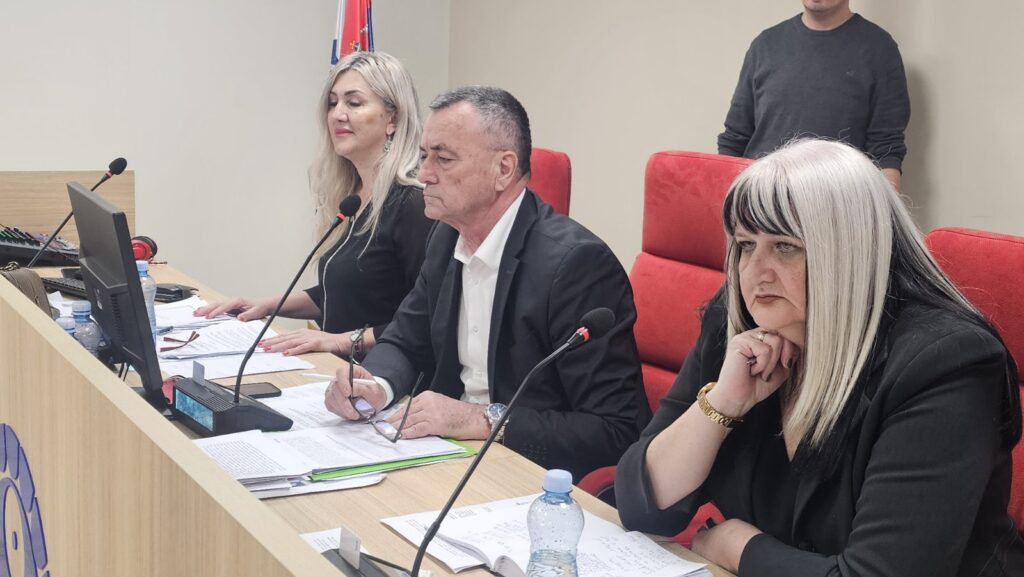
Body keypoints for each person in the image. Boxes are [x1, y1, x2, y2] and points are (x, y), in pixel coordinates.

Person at [616, 139, 1023, 576]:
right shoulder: (739, 320)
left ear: (849, 253)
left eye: (785, 247)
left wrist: (740, 548)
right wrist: (723, 404)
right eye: (746, 245)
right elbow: (642, 504)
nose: (755, 273)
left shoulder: (944, 364)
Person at [323, 86, 651, 480]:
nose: (424, 174)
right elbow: (406, 339)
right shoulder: (445, 237)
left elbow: (616, 430)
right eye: (424, 156)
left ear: (503, 169)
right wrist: (375, 385)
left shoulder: (577, 266)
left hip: (528, 472)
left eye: (443, 159)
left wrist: (483, 419)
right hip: (446, 454)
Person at [196, 52, 433, 358]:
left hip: (383, 377)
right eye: (333, 103)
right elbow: (344, 292)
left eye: (354, 103)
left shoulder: (414, 202)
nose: (337, 114)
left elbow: (425, 318)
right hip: (334, 370)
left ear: (393, 119)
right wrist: (265, 305)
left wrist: (340, 341)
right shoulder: (352, 196)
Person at [717, 0, 910, 190]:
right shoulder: (765, 45)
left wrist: (886, 208)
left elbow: (886, 148)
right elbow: (735, 137)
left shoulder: (880, 49)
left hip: (838, 198)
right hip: (760, 196)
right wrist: (723, 198)